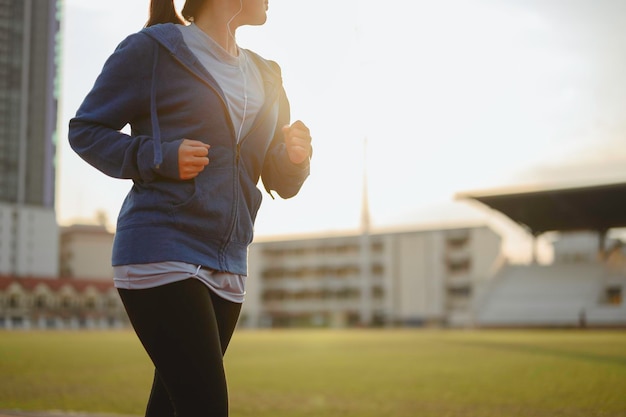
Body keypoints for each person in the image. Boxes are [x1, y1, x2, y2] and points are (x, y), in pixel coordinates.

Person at [68, 0, 312, 415]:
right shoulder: (153, 50)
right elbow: (86, 131)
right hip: (160, 247)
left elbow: (277, 179)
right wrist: (160, 156)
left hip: (228, 261)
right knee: (205, 407)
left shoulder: (268, 76)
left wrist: (295, 159)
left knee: (171, 406)